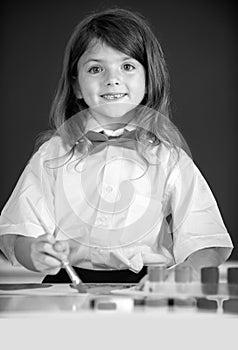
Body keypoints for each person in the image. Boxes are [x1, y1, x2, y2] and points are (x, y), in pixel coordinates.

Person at [0, 8, 233, 284]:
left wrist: (184, 274)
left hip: (148, 285)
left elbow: (207, 241)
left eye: (127, 66)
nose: (112, 79)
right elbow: (18, 233)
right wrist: (34, 252)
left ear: (148, 80)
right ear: (76, 85)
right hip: (67, 284)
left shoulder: (169, 158)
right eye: (96, 68)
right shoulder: (52, 154)